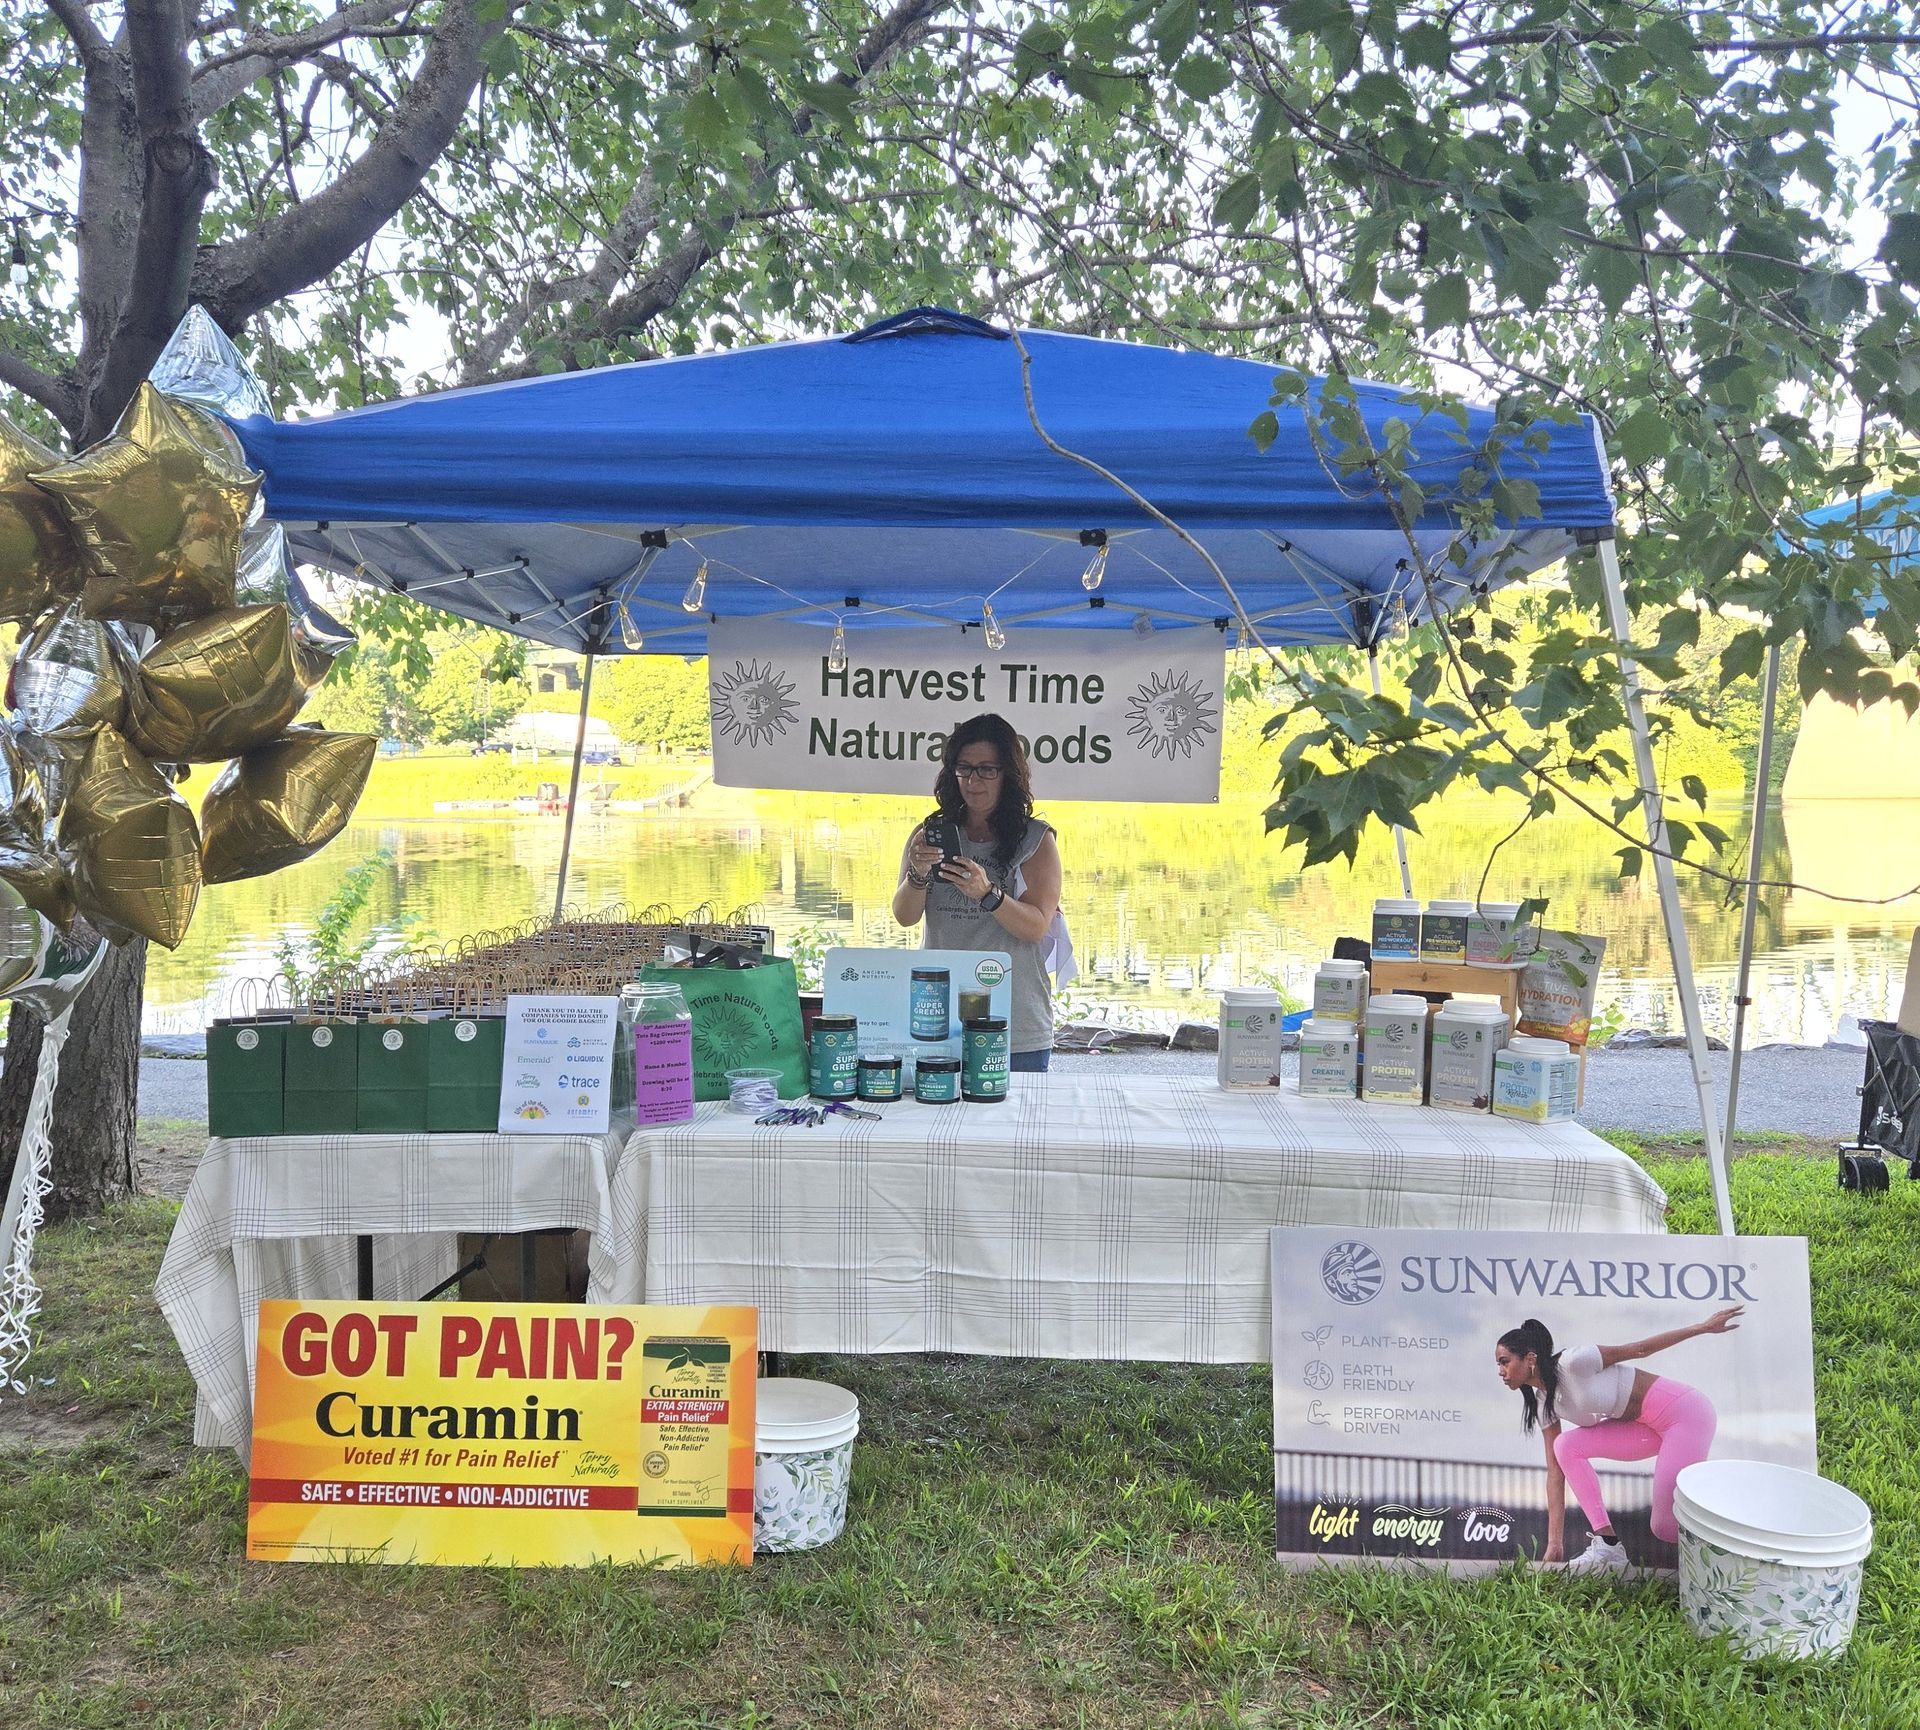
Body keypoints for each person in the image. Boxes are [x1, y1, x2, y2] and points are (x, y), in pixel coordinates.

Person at [1493, 1307, 1742, 1576]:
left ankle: (1740, 1541)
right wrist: (1555, 1543)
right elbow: (1555, 1472)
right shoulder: (1544, 1403)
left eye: (1504, 1362)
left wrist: (1702, 1327)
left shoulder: (1574, 1362)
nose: (1500, 1371)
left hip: (1684, 1414)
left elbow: (1640, 1349)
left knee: (1665, 1525)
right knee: (1565, 1446)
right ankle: (1608, 1544)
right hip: (1644, 1428)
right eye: (1498, 1364)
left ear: (1530, 1358)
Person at [892, 713, 1066, 1071]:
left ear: (1008, 775)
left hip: (1015, 1024)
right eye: (964, 768)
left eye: (987, 770)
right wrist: (918, 874)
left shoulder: (1036, 840)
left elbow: (1035, 927)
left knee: (1017, 1110)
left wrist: (987, 892)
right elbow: (904, 916)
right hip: (939, 1017)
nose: (973, 781)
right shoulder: (930, 834)